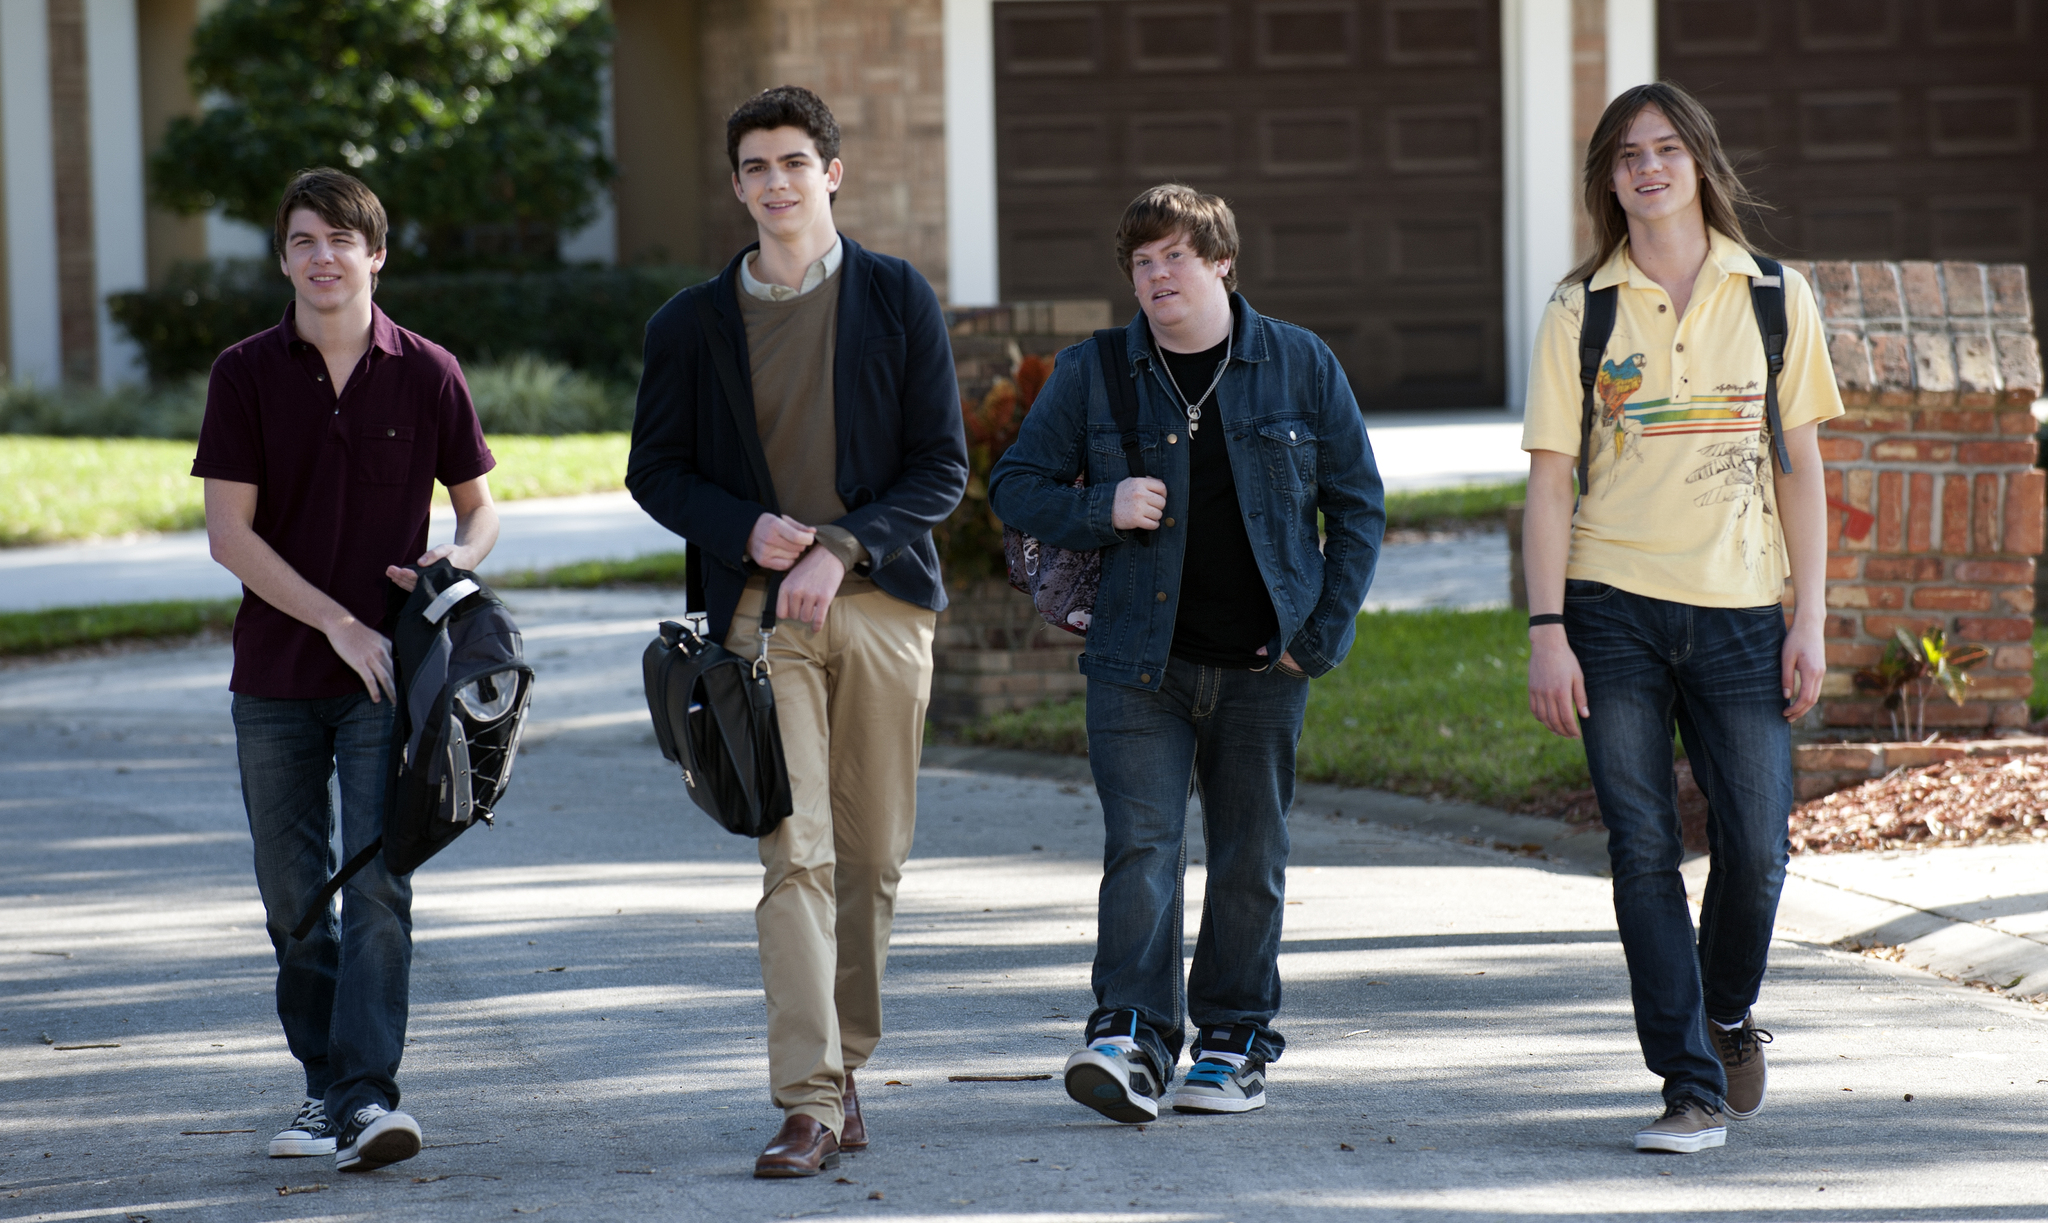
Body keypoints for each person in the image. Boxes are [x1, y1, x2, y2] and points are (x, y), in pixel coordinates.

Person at [625, 85, 967, 1178]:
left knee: (871, 860)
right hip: (754, 624)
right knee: (796, 855)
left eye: (792, 162)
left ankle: (848, 1058)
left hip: (880, 609)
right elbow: (657, 471)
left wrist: (839, 545)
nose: (774, 183)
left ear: (832, 171)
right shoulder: (689, 323)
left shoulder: (896, 297)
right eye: (754, 168)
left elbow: (941, 469)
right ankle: (808, 1097)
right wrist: (752, 530)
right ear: (736, 186)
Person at [989, 184, 1383, 1123]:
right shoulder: (1095, 372)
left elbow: (1358, 505)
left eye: (1174, 257)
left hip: (1261, 665)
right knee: (1144, 847)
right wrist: (1102, 505)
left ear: (1221, 263)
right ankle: (1128, 1034)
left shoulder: (1299, 363)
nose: (1157, 276)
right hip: (1138, 663)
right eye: (1141, 263)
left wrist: (1316, 640)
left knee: (1251, 854)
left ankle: (1235, 1040)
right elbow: (1014, 486)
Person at [1521, 82, 1838, 1153]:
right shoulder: (1580, 309)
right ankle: (1686, 1084)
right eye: (1623, 155)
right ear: (1606, 180)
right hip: (1609, 607)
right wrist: (1545, 626)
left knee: (1754, 847)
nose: (1644, 167)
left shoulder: (1771, 296)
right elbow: (1549, 483)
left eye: (1662, 148)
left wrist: (1811, 618)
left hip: (1744, 608)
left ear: (1699, 160)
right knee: (1642, 846)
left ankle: (1727, 1011)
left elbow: (1799, 471)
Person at [193, 168, 500, 1171]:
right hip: (276, 678)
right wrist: (335, 622)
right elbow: (229, 536)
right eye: (302, 240)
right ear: (283, 258)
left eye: (342, 239)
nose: (322, 257)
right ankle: (325, 1084)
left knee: (379, 886)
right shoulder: (244, 373)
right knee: (293, 897)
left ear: (376, 253)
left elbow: (479, 504)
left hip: (385, 683)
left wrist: (456, 559)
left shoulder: (427, 370)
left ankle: (366, 1094)